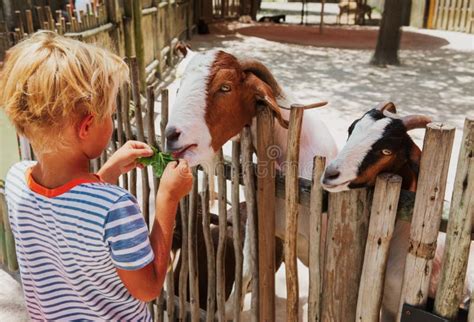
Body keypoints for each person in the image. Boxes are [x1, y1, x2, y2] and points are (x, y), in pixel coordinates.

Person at [0, 30, 193, 320]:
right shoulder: (115, 208)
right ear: (87, 126)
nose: (113, 122)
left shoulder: (16, 180)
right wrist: (168, 197)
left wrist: (109, 171)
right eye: (111, 115)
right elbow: (148, 287)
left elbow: (68, 215)